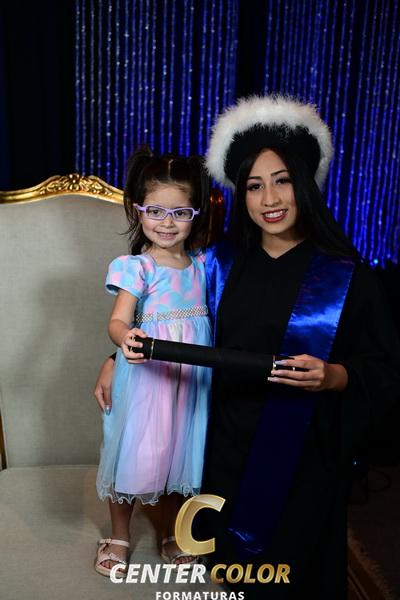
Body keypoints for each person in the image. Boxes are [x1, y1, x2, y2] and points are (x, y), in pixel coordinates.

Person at [94, 97, 400, 597]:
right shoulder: (217, 264)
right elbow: (174, 321)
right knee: (226, 575)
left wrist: (332, 376)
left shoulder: (347, 277)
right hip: (220, 447)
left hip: (302, 455)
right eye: (254, 185)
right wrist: (113, 361)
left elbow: (383, 367)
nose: (269, 198)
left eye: (282, 180)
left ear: (305, 183)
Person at [94, 147, 212, 578]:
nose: (167, 222)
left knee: (180, 454)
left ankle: (172, 531)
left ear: (196, 214)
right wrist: (125, 338)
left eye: (180, 212)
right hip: (147, 379)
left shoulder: (202, 266)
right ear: (137, 210)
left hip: (190, 381)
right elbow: (118, 321)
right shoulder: (137, 267)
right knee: (134, 452)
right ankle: (119, 535)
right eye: (156, 211)